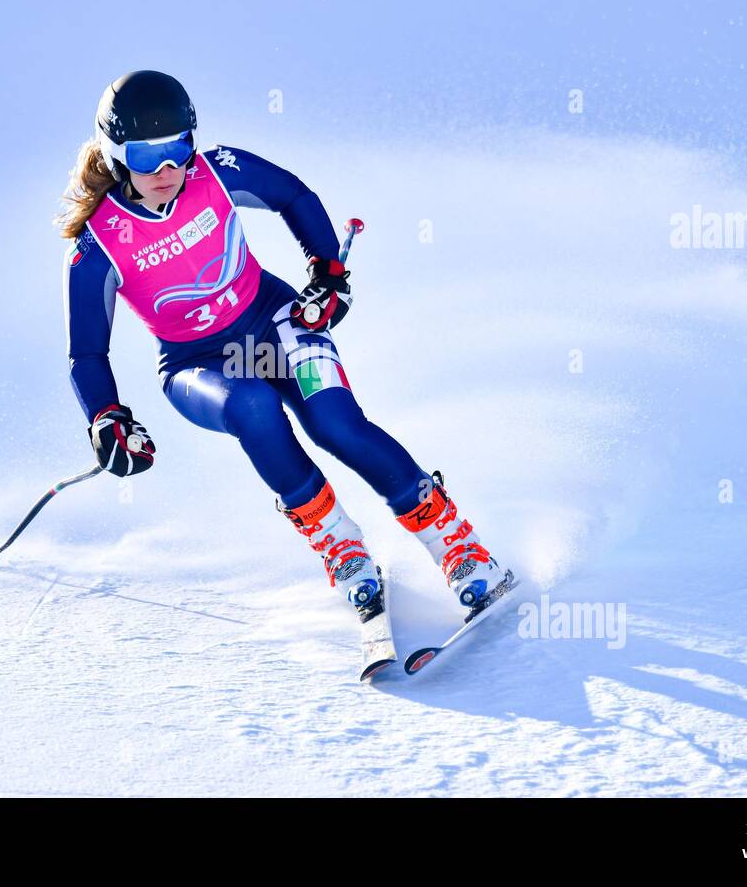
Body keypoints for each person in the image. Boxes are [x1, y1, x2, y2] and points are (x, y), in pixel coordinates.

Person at [56, 69, 513, 623]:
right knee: (252, 405)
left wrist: (327, 272)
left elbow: (293, 195)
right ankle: (341, 547)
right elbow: (87, 353)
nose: (169, 169)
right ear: (114, 153)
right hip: (196, 364)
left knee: (335, 424)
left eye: (179, 148)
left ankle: (456, 543)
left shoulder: (217, 171)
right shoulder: (97, 244)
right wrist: (106, 417)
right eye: (148, 156)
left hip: (275, 320)